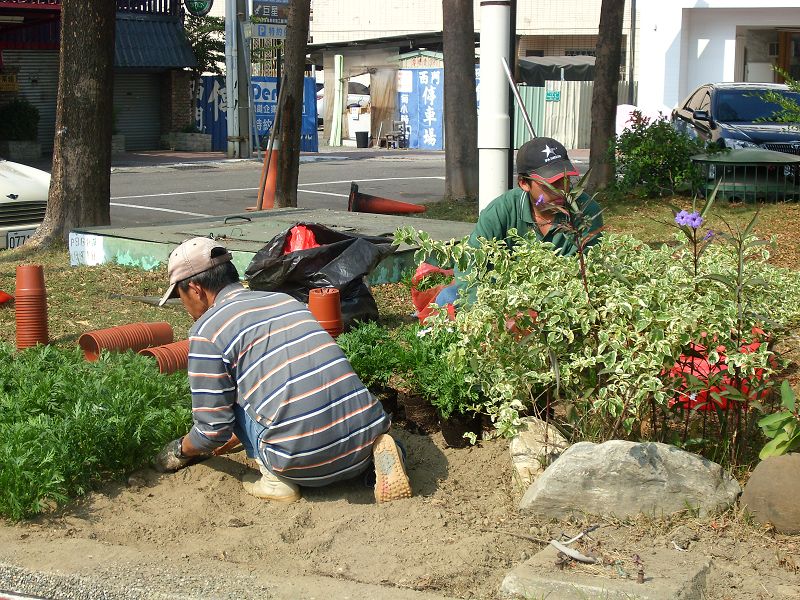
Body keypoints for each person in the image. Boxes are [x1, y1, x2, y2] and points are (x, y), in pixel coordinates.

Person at [153, 237, 412, 504]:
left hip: (304, 463)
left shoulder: (207, 332)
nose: (184, 306)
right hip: (365, 436)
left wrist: (180, 450)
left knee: (232, 398)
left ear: (195, 289)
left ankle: (276, 480)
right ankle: (378, 460)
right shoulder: (284, 301)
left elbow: (213, 430)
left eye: (180, 296)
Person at [435, 137, 603, 306]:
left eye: (566, 180)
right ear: (524, 183)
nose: (561, 191)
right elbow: (470, 264)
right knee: (448, 297)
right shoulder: (501, 211)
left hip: (560, 301)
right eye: (550, 183)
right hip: (502, 295)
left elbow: (587, 273)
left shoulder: (585, 211)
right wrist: (484, 313)